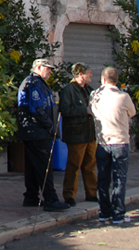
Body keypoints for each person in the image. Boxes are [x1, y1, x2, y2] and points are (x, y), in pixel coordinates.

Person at [17, 59, 69, 211]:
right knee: (44, 166)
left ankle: (31, 197)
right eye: (48, 69)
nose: (50, 72)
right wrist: (50, 127)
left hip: (34, 132)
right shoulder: (33, 83)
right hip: (37, 132)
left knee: (33, 166)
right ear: (39, 67)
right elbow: (37, 110)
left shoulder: (36, 82)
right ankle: (51, 200)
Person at [90, 67, 136, 224]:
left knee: (103, 179)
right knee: (119, 179)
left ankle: (104, 212)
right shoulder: (123, 97)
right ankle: (118, 214)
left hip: (102, 143)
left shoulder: (95, 96)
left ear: (103, 79)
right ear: (116, 80)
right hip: (120, 142)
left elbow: (90, 112)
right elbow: (132, 112)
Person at [58, 63, 98, 206]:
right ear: (80, 75)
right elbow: (64, 110)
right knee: (74, 166)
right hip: (76, 134)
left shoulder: (88, 90)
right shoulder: (68, 90)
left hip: (90, 133)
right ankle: (69, 195)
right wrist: (84, 110)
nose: (91, 75)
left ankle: (92, 193)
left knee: (90, 165)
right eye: (88, 72)